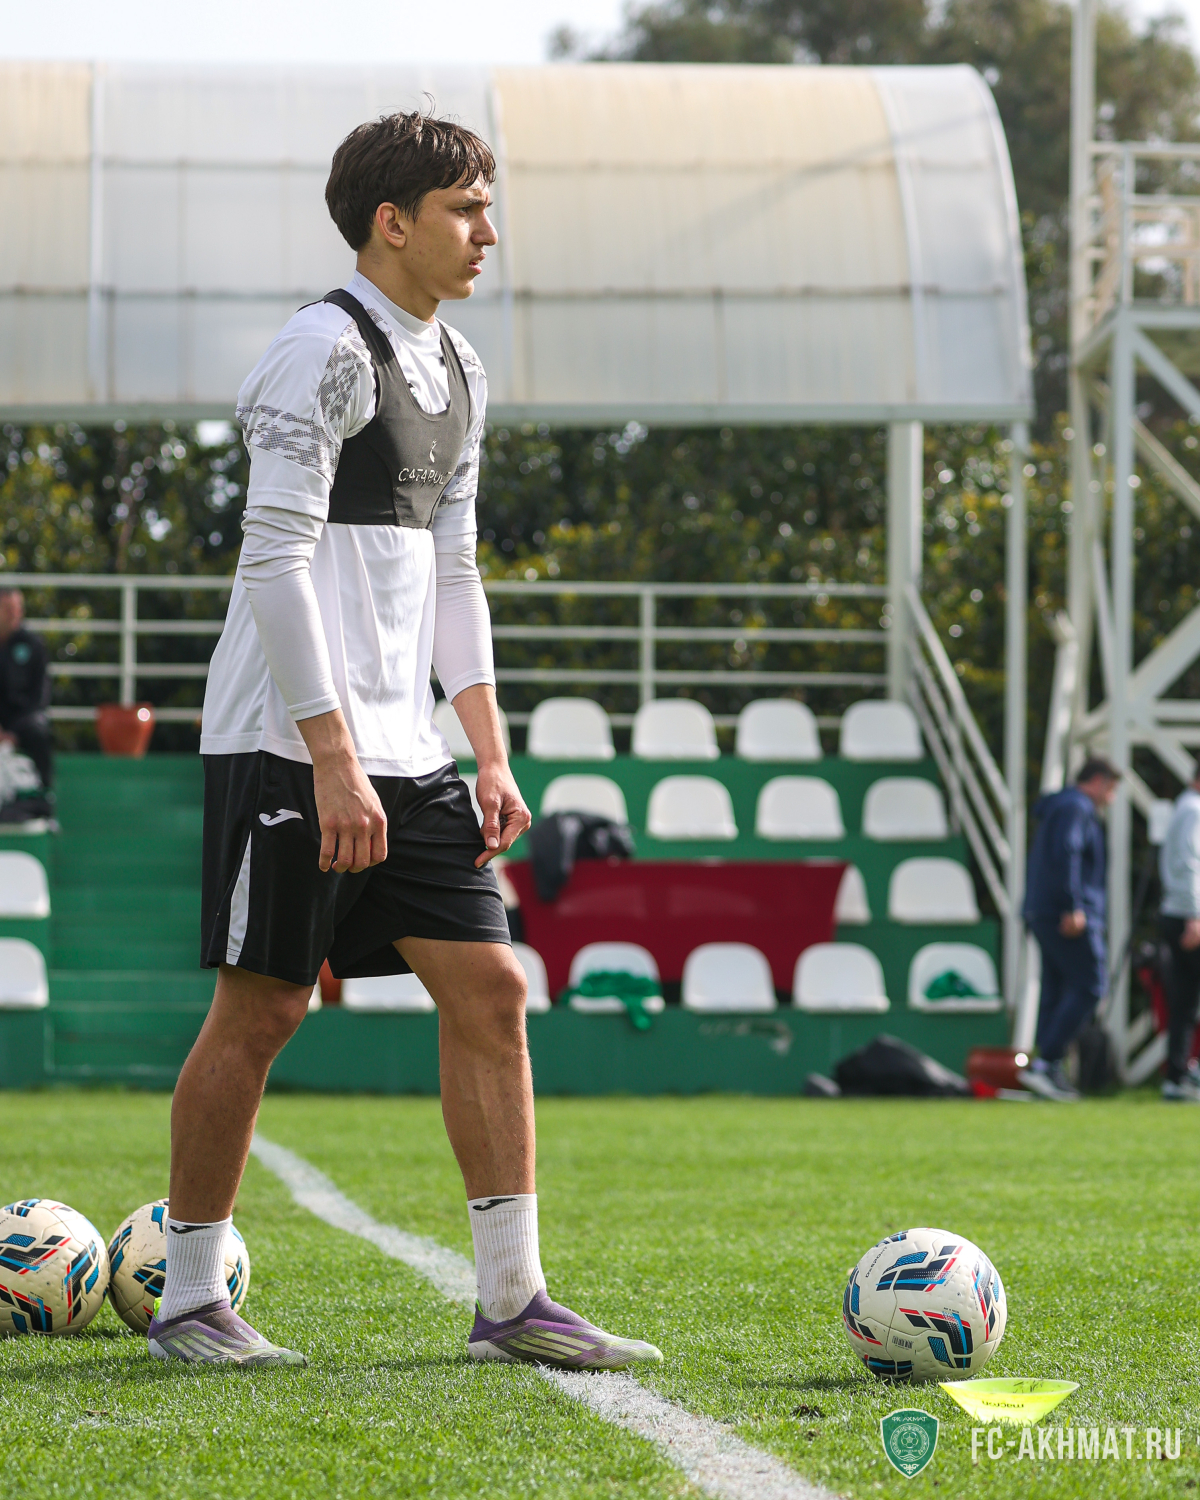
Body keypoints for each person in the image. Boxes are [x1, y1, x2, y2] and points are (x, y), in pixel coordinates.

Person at [149, 112, 661, 1371]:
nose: (489, 233)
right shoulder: (318, 352)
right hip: (287, 742)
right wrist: (329, 755)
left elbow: (455, 571)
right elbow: (274, 562)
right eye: (465, 209)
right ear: (393, 222)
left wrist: (488, 749)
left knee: (491, 989)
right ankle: (190, 1301)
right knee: (264, 1010)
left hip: (411, 750)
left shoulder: (462, 367)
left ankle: (513, 1302)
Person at [1020, 757, 1120, 1101]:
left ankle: (1043, 1067)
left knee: (1056, 987)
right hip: (1066, 914)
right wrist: (1073, 905)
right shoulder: (1077, 807)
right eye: (1112, 789)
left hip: (1043, 910)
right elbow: (1068, 853)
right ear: (1099, 781)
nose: (1111, 798)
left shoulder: (1060, 805)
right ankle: (1047, 1062)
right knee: (1091, 985)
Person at [1158, 770, 1200, 1101]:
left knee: (1185, 1002)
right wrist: (1195, 916)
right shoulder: (1194, 809)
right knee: (1185, 1002)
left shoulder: (1183, 807)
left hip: (1178, 911)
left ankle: (1177, 1076)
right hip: (1189, 916)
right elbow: (1189, 864)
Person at [0, 588, 53, 793]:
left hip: (22, 720)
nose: (14, 613)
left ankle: (44, 795)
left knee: (38, 733)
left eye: (17, 608)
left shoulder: (33, 645)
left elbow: (40, 696)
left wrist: (13, 732)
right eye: (7, 608)